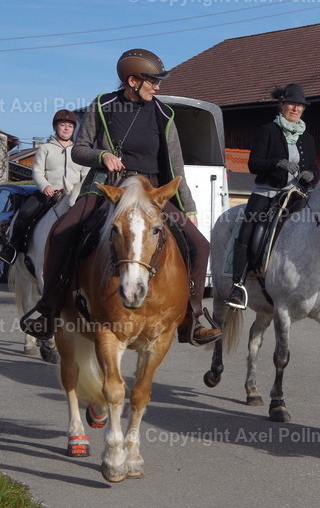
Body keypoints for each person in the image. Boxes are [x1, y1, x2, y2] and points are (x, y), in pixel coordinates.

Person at [20, 48, 220, 345]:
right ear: (132, 80)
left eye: (158, 81)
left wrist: (188, 208)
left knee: (201, 246)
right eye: (152, 80)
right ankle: (48, 309)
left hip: (152, 191)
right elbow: (79, 148)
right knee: (62, 232)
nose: (158, 86)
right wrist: (102, 156)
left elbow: (177, 169)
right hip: (109, 187)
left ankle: (191, 318)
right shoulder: (103, 105)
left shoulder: (165, 114)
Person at [225, 83, 320, 310]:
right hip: (267, 192)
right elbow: (253, 164)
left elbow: (314, 169)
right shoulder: (267, 131)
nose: (296, 109)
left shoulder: (306, 137)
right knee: (248, 229)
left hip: (297, 195)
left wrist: (310, 174)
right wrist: (276, 163)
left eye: (300, 105)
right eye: (292, 104)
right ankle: (238, 285)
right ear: (281, 104)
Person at [0, 109, 88, 263]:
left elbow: (86, 175)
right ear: (55, 127)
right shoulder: (44, 149)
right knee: (25, 213)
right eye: (62, 125)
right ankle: (12, 248)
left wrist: (81, 190)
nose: (66, 128)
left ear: (74, 129)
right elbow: (37, 172)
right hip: (49, 193)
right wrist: (45, 186)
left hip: (74, 194)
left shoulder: (79, 152)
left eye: (70, 126)